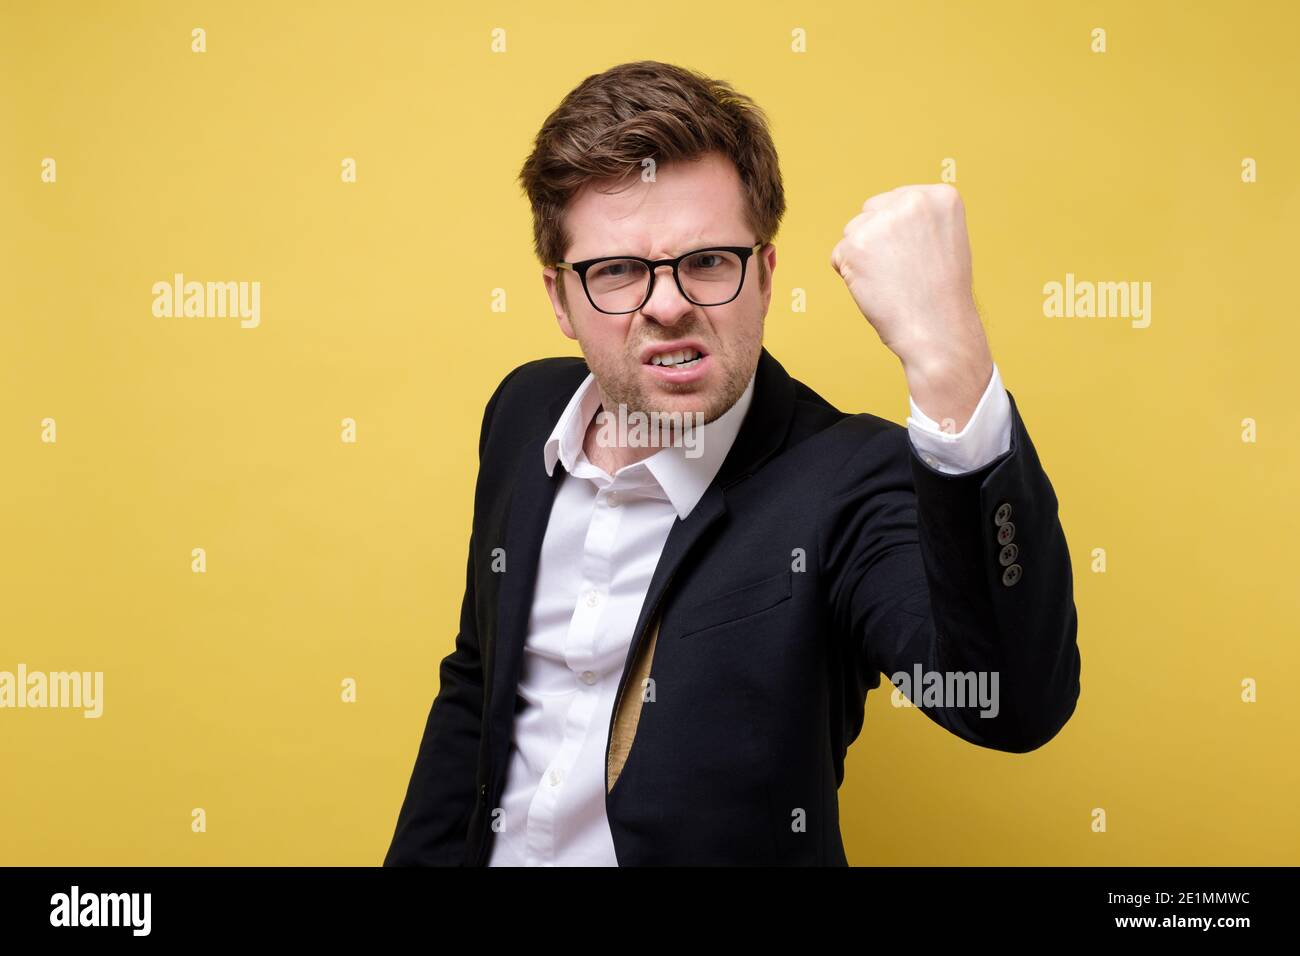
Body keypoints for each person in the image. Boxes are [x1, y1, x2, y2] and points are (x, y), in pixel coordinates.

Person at [383, 60, 1080, 866]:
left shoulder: (849, 479)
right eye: (617, 271)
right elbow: (480, 680)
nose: (669, 304)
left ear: (766, 276)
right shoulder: (522, 414)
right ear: (558, 299)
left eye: (708, 261)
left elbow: (1012, 707)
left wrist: (949, 357)